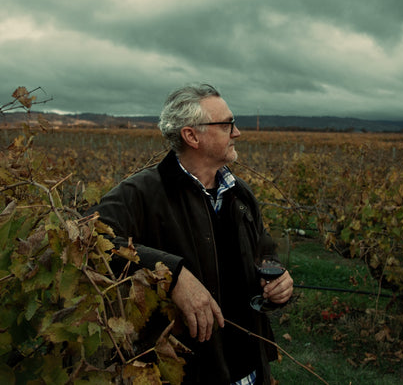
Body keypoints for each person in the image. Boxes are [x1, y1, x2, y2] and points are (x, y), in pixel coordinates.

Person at [91, 84, 293, 384]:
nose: (237, 133)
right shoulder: (141, 192)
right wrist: (173, 275)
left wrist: (279, 284)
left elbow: (264, 252)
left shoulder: (241, 194)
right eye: (227, 124)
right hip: (186, 372)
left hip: (249, 369)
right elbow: (93, 240)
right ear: (191, 136)